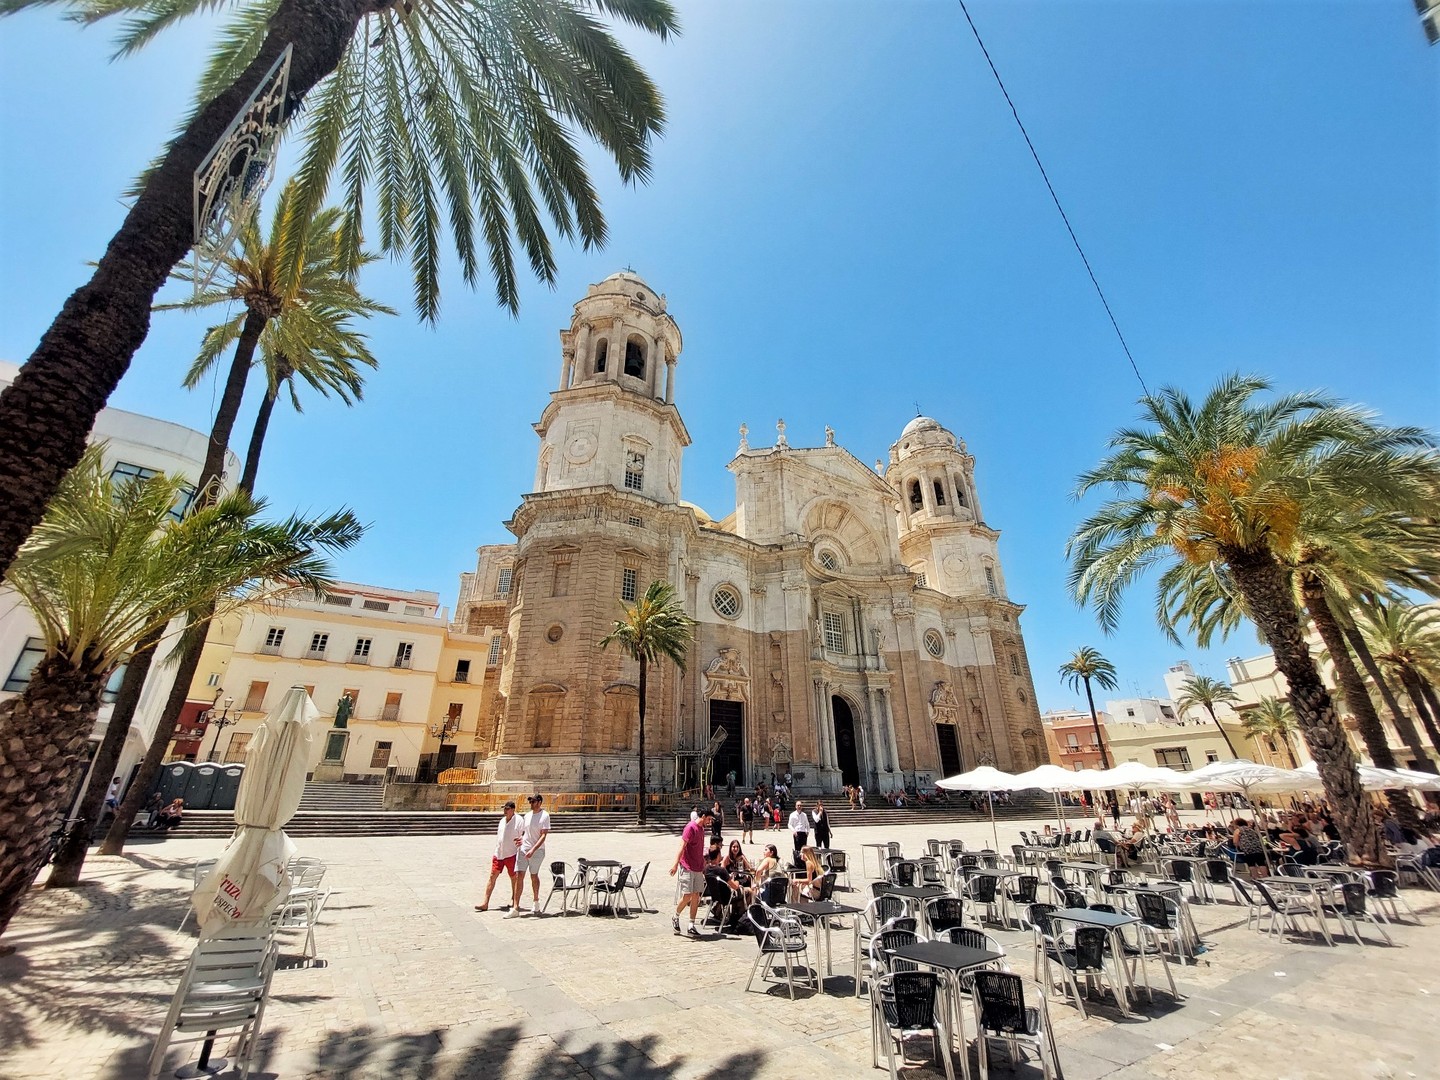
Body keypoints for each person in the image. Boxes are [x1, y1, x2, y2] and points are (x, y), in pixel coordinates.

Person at [670, 806, 714, 937]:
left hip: (698, 867)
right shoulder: (690, 828)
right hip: (687, 866)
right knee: (687, 895)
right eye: (709, 819)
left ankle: (691, 924)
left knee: (696, 896)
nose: (710, 822)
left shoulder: (701, 829)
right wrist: (675, 864)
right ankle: (676, 916)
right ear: (704, 816)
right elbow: (682, 846)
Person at [476, 800, 524, 911]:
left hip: (511, 853)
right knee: (492, 877)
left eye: (507, 809)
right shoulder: (502, 820)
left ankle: (514, 900)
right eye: (504, 808)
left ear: (513, 809)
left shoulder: (519, 820)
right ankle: (485, 903)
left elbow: (524, 834)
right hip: (499, 853)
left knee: (514, 878)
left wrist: (521, 842)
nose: (505, 811)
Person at [509, 794, 550, 918]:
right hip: (523, 849)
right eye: (530, 801)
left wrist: (533, 849)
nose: (531, 803)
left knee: (534, 876)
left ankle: (536, 901)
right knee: (519, 875)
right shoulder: (527, 816)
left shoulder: (545, 816)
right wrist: (521, 839)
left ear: (539, 802)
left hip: (537, 851)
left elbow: (543, 835)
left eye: (533, 801)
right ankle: (515, 907)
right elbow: (526, 833)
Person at [787, 801, 811, 865]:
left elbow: (807, 824)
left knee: (804, 849)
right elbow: (789, 824)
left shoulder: (804, 815)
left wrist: (808, 831)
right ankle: (797, 862)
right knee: (797, 849)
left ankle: (804, 862)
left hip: (803, 832)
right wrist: (793, 831)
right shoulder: (792, 815)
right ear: (795, 806)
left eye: (800, 805)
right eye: (798, 805)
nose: (799, 807)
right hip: (797, 832)